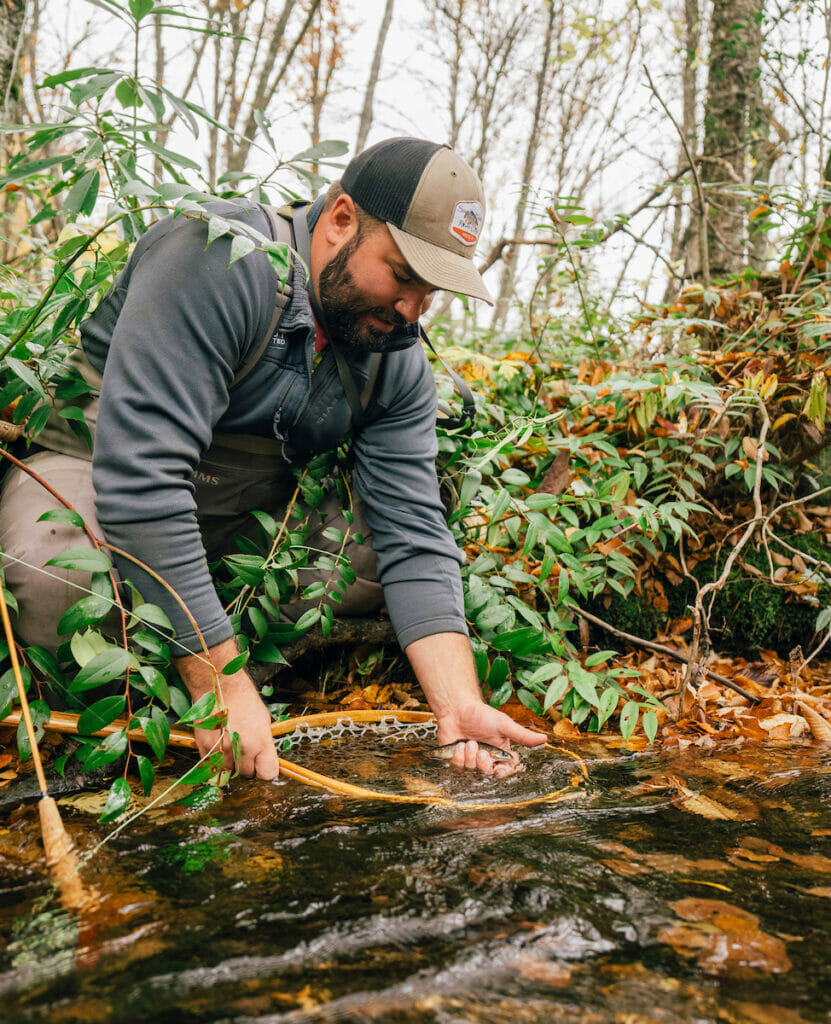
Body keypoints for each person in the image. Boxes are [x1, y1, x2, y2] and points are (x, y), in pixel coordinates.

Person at [0, 137, 545, 779]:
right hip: (96, 471)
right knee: (47, 573)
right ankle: (161, 688)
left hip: (242, 511)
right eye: (402, 275)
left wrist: (458, 705)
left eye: (430, 292)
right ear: (341, 220)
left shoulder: (395, 357)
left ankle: (190, 647)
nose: (410, 311)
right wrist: (220, 682)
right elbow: (141, 481)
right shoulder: (216, 258)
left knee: (366, 557)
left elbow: (414, 533)